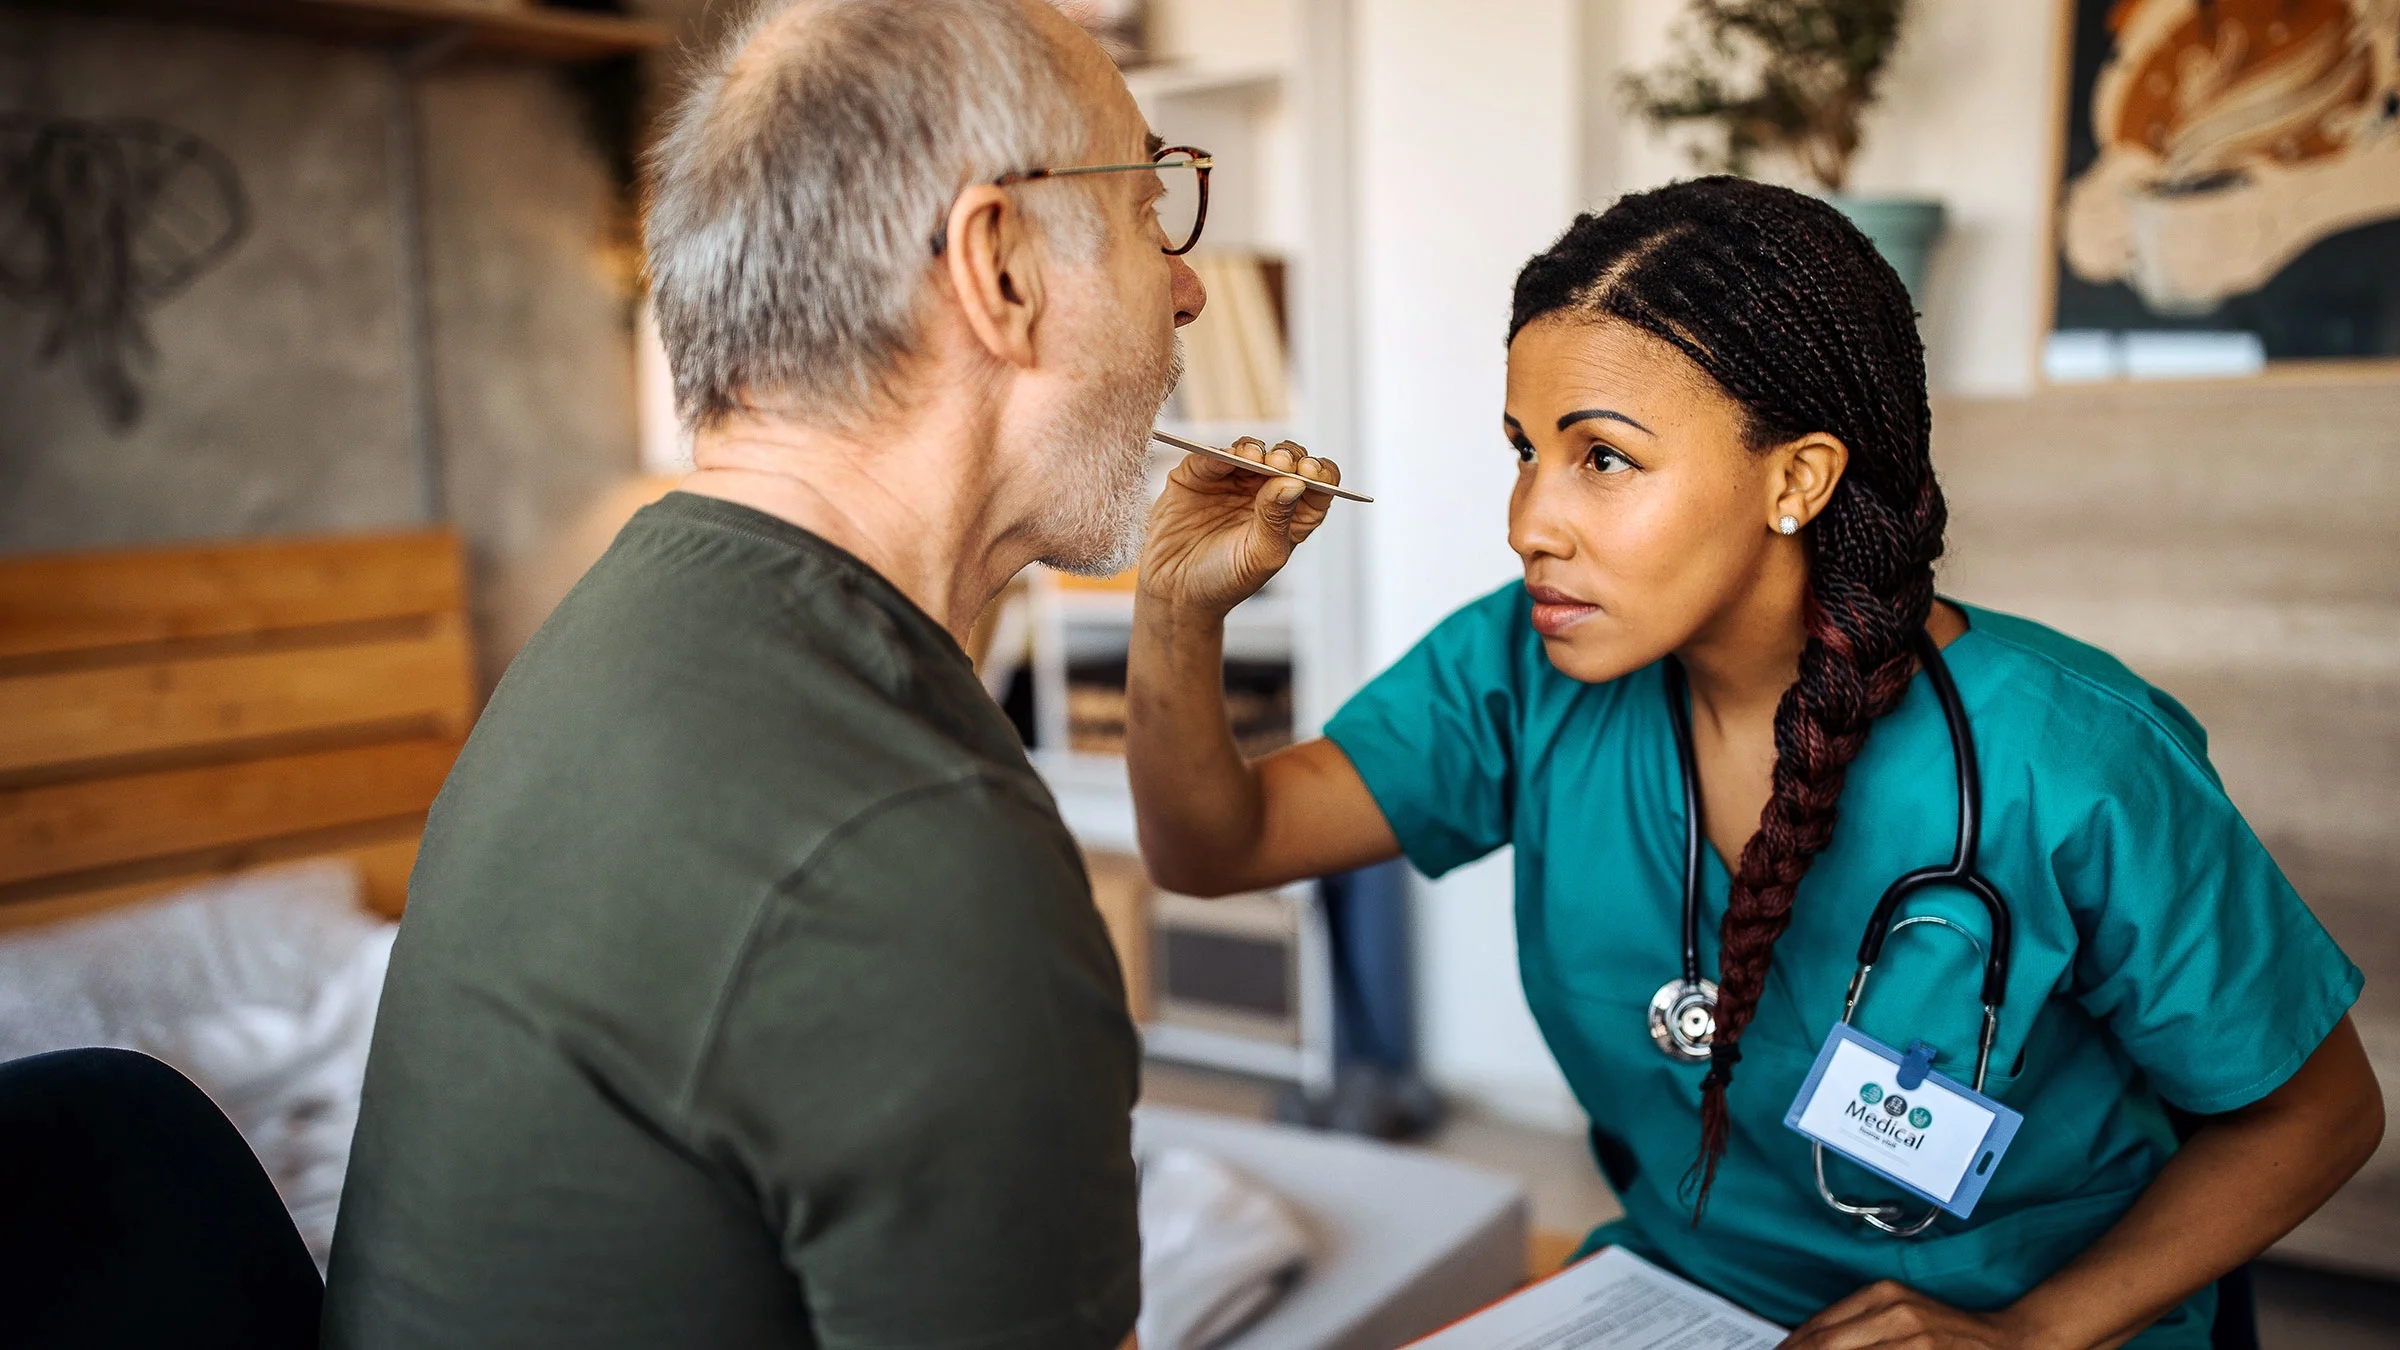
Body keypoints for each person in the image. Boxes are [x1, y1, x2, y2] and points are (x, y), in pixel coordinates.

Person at [1125, 177, 2383, 1348]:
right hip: (1680, 1304)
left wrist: (2031, 1337)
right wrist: (1178, 611)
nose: (1528, 524)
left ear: (1798, 478)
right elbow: (1213, 848)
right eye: (1524, 449)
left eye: (1601, 457)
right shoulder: (1519, 671)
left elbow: (2318, 1113)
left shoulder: (2074, 757)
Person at [323, 1, 1206, 1345]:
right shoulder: (915, 850)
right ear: (1003, 269)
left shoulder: (616, 626)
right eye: (1154, 216)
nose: (1188, 284)